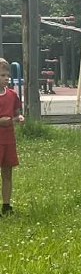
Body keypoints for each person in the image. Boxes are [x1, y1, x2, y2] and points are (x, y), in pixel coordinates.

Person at [0, 58, 25, 215]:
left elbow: (16, 113)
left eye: (7, 75)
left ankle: (6, 205)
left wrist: (19, 118)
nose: (6, 78)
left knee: (7, 173)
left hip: (8, 140)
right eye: (2, 75)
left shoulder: (12, 95)